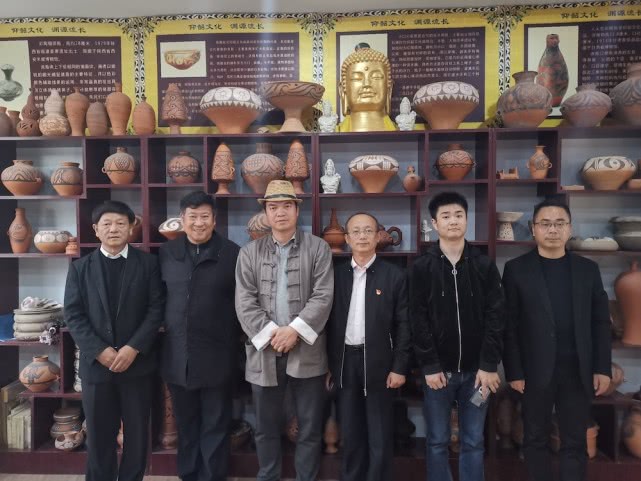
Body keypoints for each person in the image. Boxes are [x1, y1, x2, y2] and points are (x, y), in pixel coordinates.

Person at [503, 198, 611, 481]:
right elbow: (509, 326)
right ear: (533, 228)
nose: (553, 229)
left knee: (575, 442)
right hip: (533, 371)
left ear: (570, 228)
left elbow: (600, 323)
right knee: (535, 439)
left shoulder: (588, 270)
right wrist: (514, 371)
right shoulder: (516, 269)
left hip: (577, 370)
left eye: (560, 223)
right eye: (545, 223)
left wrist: (602, 368)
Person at [235, 180, 334, 481]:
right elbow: (244, 301)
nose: (280, 213)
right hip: (264, 351)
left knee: (309, 427)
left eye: (287, 206)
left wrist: (294, 331)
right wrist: (272, 335)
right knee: (265, 428)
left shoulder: (318, 248)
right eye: (273, 207)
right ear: (265, 212)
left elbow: (323, 296)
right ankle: (268, 476)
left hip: (308, 350)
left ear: (297, 210)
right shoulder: (249, 252)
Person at [64, 200, 164, 481]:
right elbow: (73, 314)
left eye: (120, 223)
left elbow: (156, 309)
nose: (114, 229)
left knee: (137, 434)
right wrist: (99, 350)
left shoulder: (148, 264)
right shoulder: (80, 268)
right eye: (106, 224)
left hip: (137, 365)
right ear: (96, 229)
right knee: (98, 435)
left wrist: (133, 348)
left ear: (131, 228)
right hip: (97, 367)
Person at [409, 191, 504, 481]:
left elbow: (496, 316)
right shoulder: (421, 268)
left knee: (473, 440)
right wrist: (429, 365)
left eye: (459, 215)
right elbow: (417, 320)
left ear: (467, 220)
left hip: (478, 374)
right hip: (438, 374)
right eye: (446, 216)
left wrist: (489, 364)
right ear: (434, 223)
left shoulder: (484, 265)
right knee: (437, 440)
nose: (453, 221)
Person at [159, 191, 240, 481]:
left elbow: (241, 303)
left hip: (218, 354)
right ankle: (189, 474)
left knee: (216, 425)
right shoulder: (167, 253)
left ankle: (212, 476)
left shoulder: (231, 253)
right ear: (182, 219)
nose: (198, 223)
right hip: (177, 355)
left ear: (214, 220)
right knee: (187, 424)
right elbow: (157, 298)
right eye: (192, 217)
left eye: (205, 216)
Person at [327, 211, 411, 481]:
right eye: (356, 231)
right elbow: (326, 323)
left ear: (377, 237)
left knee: (379, 434)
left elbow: (405, 325)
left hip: (380, 363)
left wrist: (399, 367)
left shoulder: (394, 276)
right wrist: (329, 365)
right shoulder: (336, 275)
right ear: (347, 238)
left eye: (368, 231)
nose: (362, 236)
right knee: (350, 433)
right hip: (345, 363)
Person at [339, 44, 396, 132]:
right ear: (343, 90)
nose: (366, 84)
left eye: (376, 77)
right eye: (357, 78)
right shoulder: (335, 130)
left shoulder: (402, 129)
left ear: (389, 89)